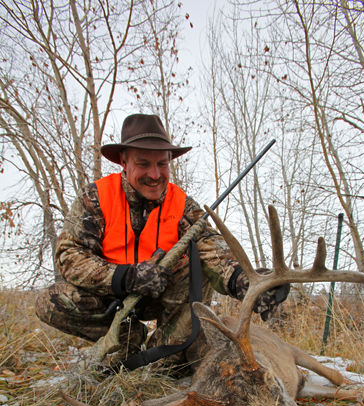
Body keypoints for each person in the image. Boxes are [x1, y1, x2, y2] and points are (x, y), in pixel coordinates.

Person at [35, 114, 289, 367]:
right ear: (124, 161)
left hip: (160, 295)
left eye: (162, 164)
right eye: (143, 164)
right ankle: (127, 340)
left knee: (195, 267)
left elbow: (213, 249)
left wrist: (243, 281)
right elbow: (70, 256)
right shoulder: (96, 197)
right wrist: (126, 277)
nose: (155, 175)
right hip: (109, 297)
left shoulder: (182, 205)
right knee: (51, 301)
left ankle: (162, 357)